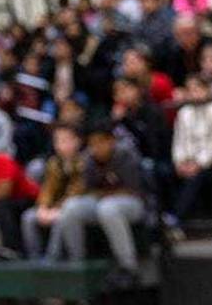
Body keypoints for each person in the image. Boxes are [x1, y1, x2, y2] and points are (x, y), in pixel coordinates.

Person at [57, 124, 146, 289]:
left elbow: (134, 190)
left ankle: (128, 267)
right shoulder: (89, 159)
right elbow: (89, 190)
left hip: (135, 204)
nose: (96, 148)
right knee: (71, 207)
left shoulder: (126, 155)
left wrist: (105, 194)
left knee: (108, 208)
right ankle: (77, 265)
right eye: (92, 144)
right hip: (102, 202)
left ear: (111, 141)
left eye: (100, 142)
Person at [171, 75, 212, 229]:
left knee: (197, 177)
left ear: (207, 90)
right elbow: (179, 141)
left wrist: (199, 163)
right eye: (190, 90)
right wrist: (180, 162)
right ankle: (164, 217)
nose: (194, 93)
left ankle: (176, 219)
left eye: (198, 89)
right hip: (187, 161)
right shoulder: (184, 112)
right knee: (163, 172)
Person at [21, 125, 86, 260]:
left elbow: (78, 190)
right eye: (57, 141)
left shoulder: (85, 162)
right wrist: (43, 207)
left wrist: (56, 209)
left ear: (78, 141)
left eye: (65, 140)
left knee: (61, 218)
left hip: (74, 206)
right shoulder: (54, 163)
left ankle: (52, 259)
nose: (61, 145)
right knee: (28, 217)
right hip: (54, 206)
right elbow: (48, 189)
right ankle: (34, 258)